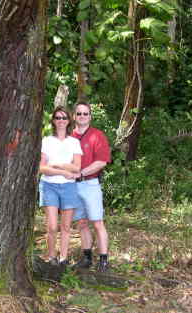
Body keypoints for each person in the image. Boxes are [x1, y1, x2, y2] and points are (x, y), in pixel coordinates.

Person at [39, 106, 83, 266]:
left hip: (69, 188)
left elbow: (77, 167)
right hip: (49, 186)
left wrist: (57, 165)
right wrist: (64, 171)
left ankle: (63, 258)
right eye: (58, 118)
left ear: (69, 120)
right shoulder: (46, 141)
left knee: (65, 226)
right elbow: (42, 168)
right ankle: (51, 257)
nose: (61, 121)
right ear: (53, 121)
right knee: (51, 226)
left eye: (64, 118)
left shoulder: (74, 142)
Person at [72, 102, 111, 272]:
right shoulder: (68, 137)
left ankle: (103, 260)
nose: (82, 116)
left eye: (85, 114)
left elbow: (101, 162)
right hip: (72, 186)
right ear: (74, 116)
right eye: (79, 113)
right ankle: (87, 258)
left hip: (90, 184)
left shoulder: (97, 135)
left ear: (90, 116)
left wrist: (81, 173)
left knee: (97, 223)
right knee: (81, 223)